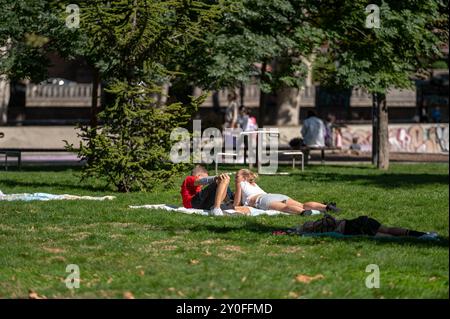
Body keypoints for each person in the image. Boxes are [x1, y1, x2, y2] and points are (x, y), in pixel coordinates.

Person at [233, 169, 340, 215]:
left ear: (242, 177)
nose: (235, 177)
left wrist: (237, 184)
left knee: (283, 208)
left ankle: (302, 213)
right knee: (303, 204)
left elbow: (236, 204)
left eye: (237, 176)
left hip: (262, 200)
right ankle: (325, 207)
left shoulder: (241, 184)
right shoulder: (254, 184)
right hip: (274, 195)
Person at [289, 213, 439, 239]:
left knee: (388, 235)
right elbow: (331, 220)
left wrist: (300, 232)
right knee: (389, 231)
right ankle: (422, 234)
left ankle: (423, 236)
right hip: (359, 222)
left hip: (356, 227)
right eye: (307, 224)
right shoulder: (319, 228)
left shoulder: (321, 227)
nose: (309, 222)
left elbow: (329, 222)